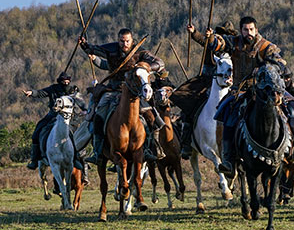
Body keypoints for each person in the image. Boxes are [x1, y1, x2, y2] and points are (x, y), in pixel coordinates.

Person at [192, 16, 289, 178]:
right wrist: (201, 35)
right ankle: (229, 159)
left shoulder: (265, 46)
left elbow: (279, 60)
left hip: (261, 91)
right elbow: (217, 43)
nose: (248, 33)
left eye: (251, 29)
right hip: (239, 92)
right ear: (241, 30)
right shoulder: (234, 42)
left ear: (256, 30)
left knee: (289, 109)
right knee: (226, 114)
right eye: (245, 29)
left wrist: (270, 65)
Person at [79, 28, 165, 165]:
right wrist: (84, 45)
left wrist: (145, 67)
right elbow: (93, 49)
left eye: (127, 41)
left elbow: (160, 63)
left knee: (150, 115)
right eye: (121, 41)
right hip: (112, 90)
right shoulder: (110, 49)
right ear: (118, 40)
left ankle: (151, 148)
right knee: (99, 114)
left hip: (134, 91)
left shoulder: (140, 51)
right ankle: (98, 151)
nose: (124, 44)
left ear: (132, 40)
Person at [172, 21, 236, 159]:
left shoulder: (233, 47)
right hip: (207, 79)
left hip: (227, 81)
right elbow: (202, 40)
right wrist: (194, 32)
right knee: (189, 103)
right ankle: (186, 142)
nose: (224, 36)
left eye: (227, 34)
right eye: (223, 33)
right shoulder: (212, 41)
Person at [23, 72, 86, 171]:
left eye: (67, 80)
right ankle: (35, 159)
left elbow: (81, 103)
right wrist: (32, 93)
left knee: (77, 135)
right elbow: (41, 93)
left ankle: (77, 158)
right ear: (60, 81)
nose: (66, 82)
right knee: (37, 132)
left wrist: (85, 110)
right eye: (64, 80)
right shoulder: (53, 89)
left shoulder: (74, 90)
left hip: (69, 118)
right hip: (53, 116)